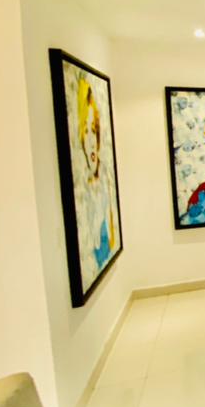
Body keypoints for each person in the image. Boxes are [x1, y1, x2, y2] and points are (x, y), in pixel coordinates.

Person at [77, 77, 118, 271]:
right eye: (87, 131)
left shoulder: (104, 181)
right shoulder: (82, 190)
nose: (92, 140)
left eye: (94, 130)